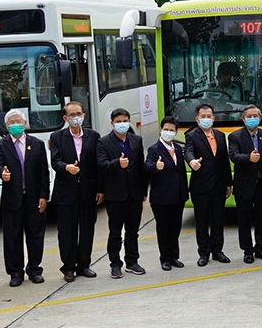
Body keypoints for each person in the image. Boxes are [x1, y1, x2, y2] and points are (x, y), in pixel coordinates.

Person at [0, 109, 50, 286]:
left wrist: (44, 195)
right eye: (11, 122)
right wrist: (3, 173)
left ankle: (34, 269)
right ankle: (15, 272)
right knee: (12, 237)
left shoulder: (37, 144)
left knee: (35, 235)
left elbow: (43, 172)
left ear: (24, 124)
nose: (15, 125)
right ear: (6, 126)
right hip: (12, 198)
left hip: (33, 197)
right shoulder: (0, 145)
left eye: (18, 121)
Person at [49, 100, 102, 282]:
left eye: (78, 114)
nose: (75, 118)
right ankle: (68, 267)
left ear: (84, 115)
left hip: (88, 190)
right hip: (66, 192)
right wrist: (66, 167)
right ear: (65, 118)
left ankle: (84, 265)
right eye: (71, 115)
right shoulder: (57, 137)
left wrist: (100, 189)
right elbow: (55, 161)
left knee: (87, 229)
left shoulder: (94, 136)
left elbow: (98, 164)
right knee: (66, 231)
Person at [97, 108, 148, 279]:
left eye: (125, 120)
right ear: (112, 123)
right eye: (118, 121)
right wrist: (117, 163)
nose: (122, 124)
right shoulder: (104, 142)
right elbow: (102, 165)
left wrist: (143, 190)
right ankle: (115, 264)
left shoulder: (136, 140)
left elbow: (141, 166)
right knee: (115, 232)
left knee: (133, 231)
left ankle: (132, 262)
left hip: (134, 193)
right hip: (115, 195)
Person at [229, 104, 262, 263]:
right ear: (243, 118)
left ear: (260, 118)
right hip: (244, 185)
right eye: (248, 116)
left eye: (255, 116)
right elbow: (234, 156)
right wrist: (248, 158)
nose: (252, 119)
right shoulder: (235, 136)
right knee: (244, 220)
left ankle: (261, 249)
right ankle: (247, 250)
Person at [186, 103, 232, 266]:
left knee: (218, 219)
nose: (206, 119)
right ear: (197, 119)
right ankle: (203, 253)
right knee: (202, 221)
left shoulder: (220, 135)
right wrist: (191, 161)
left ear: (213, 118)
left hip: (219, 185)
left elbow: (224, 160)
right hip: (201, 186)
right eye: (203, 116)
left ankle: (217, 251)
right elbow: (188, 151)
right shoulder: (192, 136)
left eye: (209, 116)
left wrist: (228, 182)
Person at [146, 116, 190, 270]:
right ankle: (164, 258)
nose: (168, 132)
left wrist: (185, 192)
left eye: (172, 130)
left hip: (178, 196)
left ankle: (174, 257)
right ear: (161, 130)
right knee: (164, 229)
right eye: (166, 130)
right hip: (162, 198)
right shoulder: (154, 149)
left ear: (176, 132)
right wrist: (155, 167)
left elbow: (181, 172)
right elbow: (147, 166)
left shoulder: (178, 148)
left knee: (175, 228)